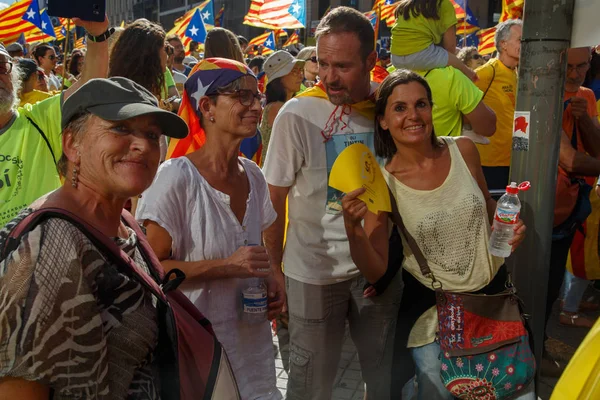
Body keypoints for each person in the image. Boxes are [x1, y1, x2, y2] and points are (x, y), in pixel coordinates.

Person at [341, 69, 532, 400]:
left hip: (494, 307)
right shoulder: (382, 183)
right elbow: (376, 270)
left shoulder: (464, 150)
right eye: (399, 108)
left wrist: (510, 229)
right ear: (383, 120)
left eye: (421, 104)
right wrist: (352, 229)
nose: (413, 115)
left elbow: (488, 208)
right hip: (436, 323)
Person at [0, 74, 188, 396]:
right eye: (120, 128)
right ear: (72, 144)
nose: (144, 144)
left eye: (152, 134)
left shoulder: (122, 220)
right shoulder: (49, 249)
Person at [262, 7, 402, 399]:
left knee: (382, 380)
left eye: (341, 66)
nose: (327, 77)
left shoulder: (390, 108)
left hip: (377, 273)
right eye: (321, 63)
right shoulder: (297, 114)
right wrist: (275, 269)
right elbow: (273, 198)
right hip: (312, 275)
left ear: (372, 62)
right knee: (311, 388)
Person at [137, 58, 283, 400]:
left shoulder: (253, 175)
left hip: (254, 353)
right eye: (241, 96)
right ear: (207, 107)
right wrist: (226, 267)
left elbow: (257, 243)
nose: (255, 106)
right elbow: (151, 270)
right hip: (199, 356)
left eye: (257, 96)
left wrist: (273, 277)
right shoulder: (175, 178)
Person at [0, 18, 110, 228]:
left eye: (0, 66)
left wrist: (97, 35)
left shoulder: (40, 119)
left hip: (49, 251)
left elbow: (91, 84)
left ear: (14, 76)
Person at [547, 47, 600, 334]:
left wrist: (582, 119)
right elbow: (569, 159)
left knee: (554, 278)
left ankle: (538, 348)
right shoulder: (544, 97)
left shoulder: (586, 95)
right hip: (540, 204)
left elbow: (596, 148)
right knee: (533, 284)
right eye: (569, 66)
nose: (574, 73)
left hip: (572, 202)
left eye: (582, 66)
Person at [474, 19, 522, 191]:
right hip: (488, 163)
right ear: (503, 44)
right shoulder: (488, 72)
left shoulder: (519, 74)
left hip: (514, 161)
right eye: (519, 40)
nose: (524, 45)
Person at [390, 0, 477, 81]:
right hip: (419, 56)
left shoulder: (405, 4)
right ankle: (472, 77)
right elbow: (450, 47)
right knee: (463, 68)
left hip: (395, 58)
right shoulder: (444, 4)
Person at [110, 19, 180, 113]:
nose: (167, 55)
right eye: (164, 49)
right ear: (152, 55)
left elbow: (174, 96)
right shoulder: (129, 96)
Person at [260, 51, 304, 158]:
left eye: (300, 71)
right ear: (279, 78)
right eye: (294, 71)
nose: (300, 76)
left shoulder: (284, 105)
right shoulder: (277, 108)